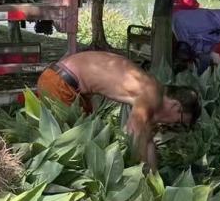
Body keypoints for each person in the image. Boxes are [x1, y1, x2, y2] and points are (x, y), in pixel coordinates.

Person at [36, 50, 200, 170]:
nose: (171, 126)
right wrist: (139, 175)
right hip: (60, 83)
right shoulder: (151, 94)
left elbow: (147, 141)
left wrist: (154, 178)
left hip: (72, 85)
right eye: (179, 122)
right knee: (67, 149)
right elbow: (134, 132)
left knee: (87, 144)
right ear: (175, 106)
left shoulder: (151, 91)